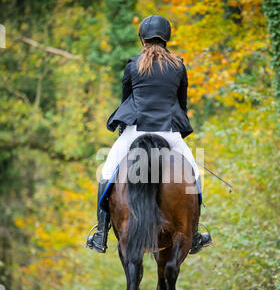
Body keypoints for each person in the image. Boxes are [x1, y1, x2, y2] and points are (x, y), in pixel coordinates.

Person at [87, 15, 212, 254]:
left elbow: (126, 101)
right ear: (166, 39)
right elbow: (181, 103)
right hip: (170, 131)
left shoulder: (133, 65)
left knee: (105, 173)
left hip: (136, 132)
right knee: (194, 174)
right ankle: (193, 234)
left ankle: (101, 235)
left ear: (142, 39)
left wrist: (123, 130)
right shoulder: (178, 65)